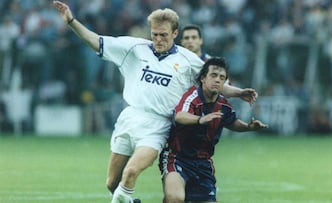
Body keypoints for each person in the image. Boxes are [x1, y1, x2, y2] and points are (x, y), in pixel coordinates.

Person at [53, 1, 258, 203]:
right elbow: (97, 41)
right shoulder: (135, 47)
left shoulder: (188, 60)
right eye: (155, 34)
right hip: (130, 117)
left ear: (175, 34)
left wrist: (239, 93)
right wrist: (71, 21)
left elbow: (214, 82)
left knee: (131, 172)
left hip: (158, 125)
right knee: (112, 184)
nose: (158, 40)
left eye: (163, 35)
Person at [159, 57, 268, 203]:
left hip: (203, 163)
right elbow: (179, 115)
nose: (217, 80)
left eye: (222, 78)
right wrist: (199, 119)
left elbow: (232, 122)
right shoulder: (193, 97)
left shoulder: (223, 105)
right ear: (203, 78)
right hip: (177, 157)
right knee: (175, 198)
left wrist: (248, 127)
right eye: (214, 75)